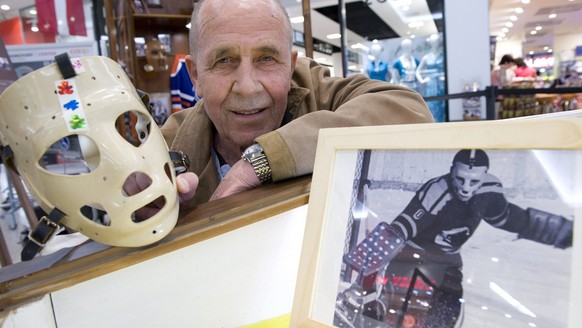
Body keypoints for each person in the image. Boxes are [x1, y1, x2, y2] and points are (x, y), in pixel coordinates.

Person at [141, 0, 433, 214]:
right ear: (195, 76)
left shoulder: (321, 94)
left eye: (266, 58)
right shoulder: (168, 141)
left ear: (290, 66)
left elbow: (409, 111)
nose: (248, 86)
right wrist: (141, 211)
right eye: (224, 60)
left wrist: (263, 160)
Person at [339, 149, 573, 327]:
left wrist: (563, 231)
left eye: (474, 181)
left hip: (449, 263)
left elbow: (509, 218)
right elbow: (401, 228)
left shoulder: (489, 191)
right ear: (452, 171)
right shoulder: (436, 191)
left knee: (446, 318)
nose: (465, 187)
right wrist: (362, 280)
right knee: (396, 316)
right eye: (461, 179)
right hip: (410, 258)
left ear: (483, 177)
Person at [415, 34, 445, 122]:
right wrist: (422, 80)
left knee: (442, 106)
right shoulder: (427, 57)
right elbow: (418, 71)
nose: (435, 43)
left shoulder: (443, 55)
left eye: (436, 41)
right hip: (430, 85)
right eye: (433, 41)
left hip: (441, 84)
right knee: (431, 106)